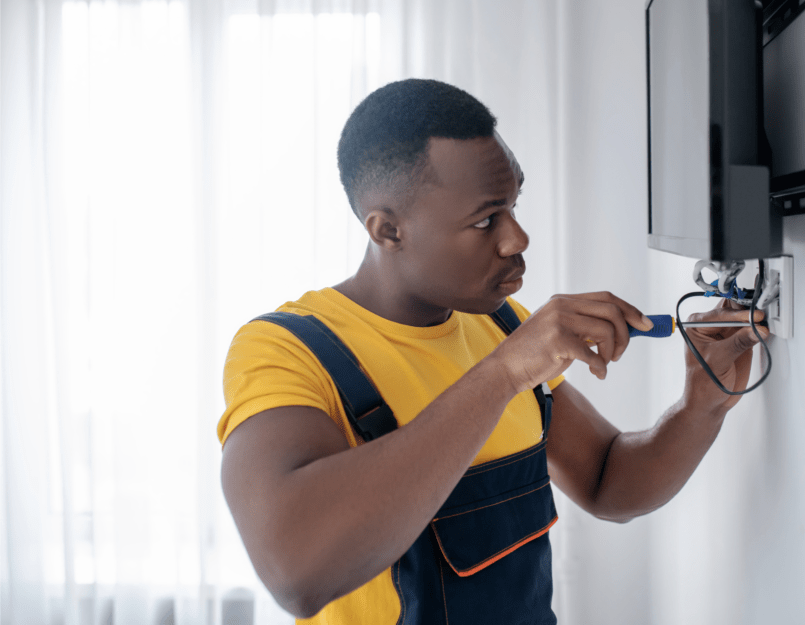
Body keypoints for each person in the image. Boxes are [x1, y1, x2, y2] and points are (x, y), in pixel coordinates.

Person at [218, 78, 768, 625]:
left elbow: (606, 479)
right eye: (485, 220)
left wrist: (701, 406)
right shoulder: (285, 350)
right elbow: (296, 570)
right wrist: (505, 373)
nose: (517, 239)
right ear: (388, 230)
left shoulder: (501, 325)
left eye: (513, 205)